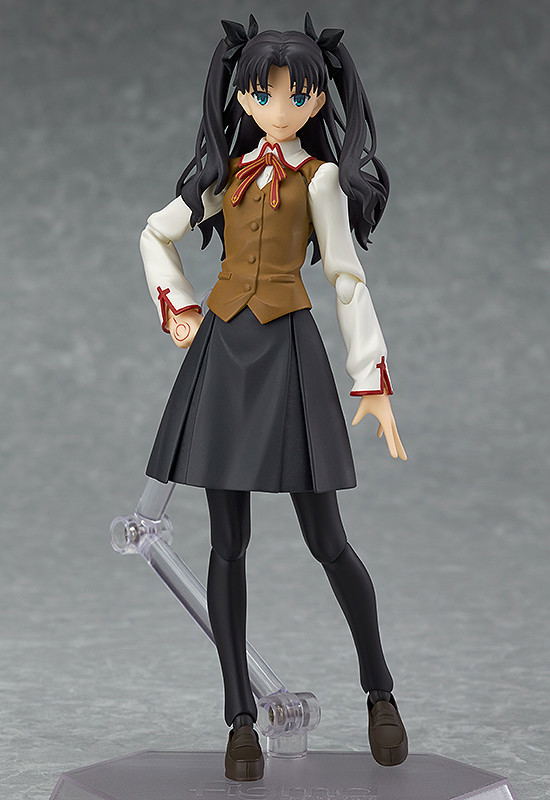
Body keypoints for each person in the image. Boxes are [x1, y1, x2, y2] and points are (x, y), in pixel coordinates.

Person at [139, 13, 408, 781]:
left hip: (288, 355)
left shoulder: (319, 180)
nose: (280, 107)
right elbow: (155, 233)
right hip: (224, 356)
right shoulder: (224, 174)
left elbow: (346, 277)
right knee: (227, 544)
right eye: (263, 94)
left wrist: (371, 377)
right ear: (242, 95)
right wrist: (178, 306)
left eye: (296, 95)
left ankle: (380, 692)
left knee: (328, 540)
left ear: (319, 99)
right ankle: (239, 717)